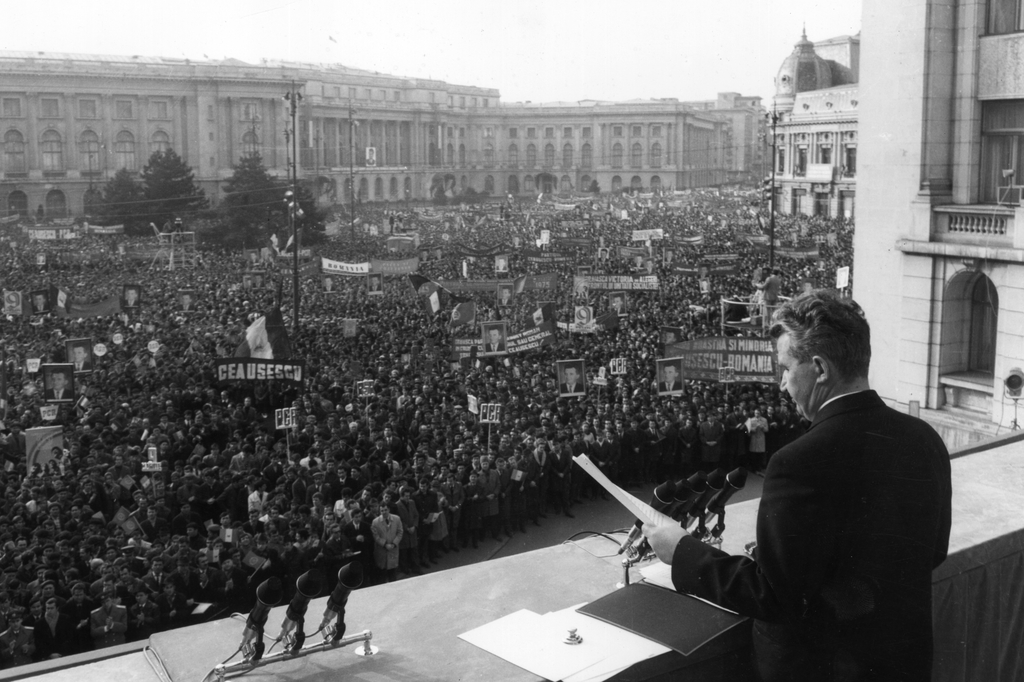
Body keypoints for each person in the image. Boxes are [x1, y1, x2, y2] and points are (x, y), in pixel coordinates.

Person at [645, 291, 952, 682]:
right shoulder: (924, 438)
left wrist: (683, 552)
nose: (781, 384)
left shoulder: (797, 462)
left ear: (820, 369)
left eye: (786, 368)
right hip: (904, 663)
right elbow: (931, 551)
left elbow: (773, 596)